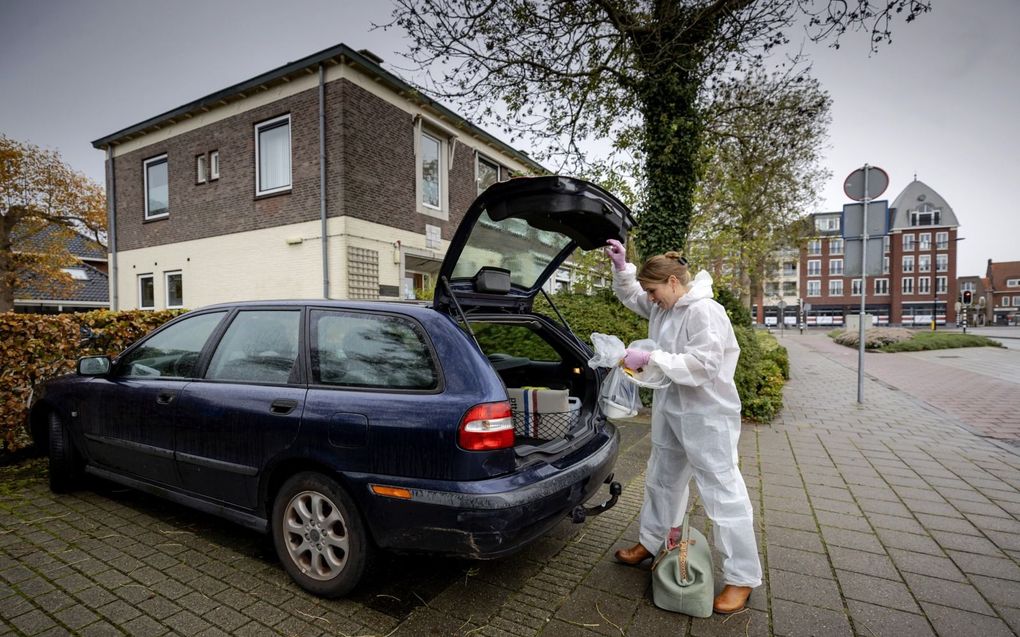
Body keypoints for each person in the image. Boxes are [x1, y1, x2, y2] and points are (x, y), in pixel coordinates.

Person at [605, 238, 762, 614]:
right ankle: (652, 540)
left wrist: (652, 356)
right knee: (662, 478)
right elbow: (634, 297)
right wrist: (623, 268)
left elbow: (704, 366)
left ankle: (742, 578)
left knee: (722, 493)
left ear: (674, 283)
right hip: (672, 409)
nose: (650, 299)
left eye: (654, 290)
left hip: (707, 415)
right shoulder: (666, 308)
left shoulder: (704, 312)